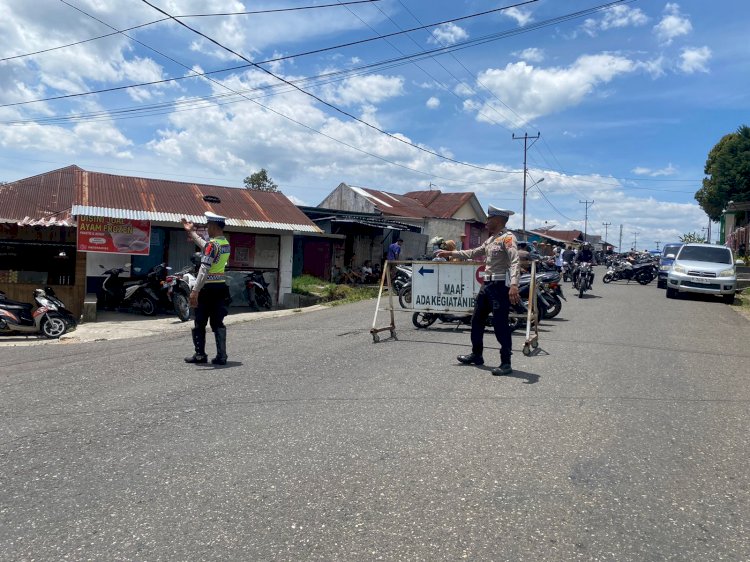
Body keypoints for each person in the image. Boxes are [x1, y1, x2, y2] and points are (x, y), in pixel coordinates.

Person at [436, 206, 520, 376]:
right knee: (476, 320)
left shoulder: (508, 238)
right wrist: (450, 253)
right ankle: (477, 354)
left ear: (498, 219)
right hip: (486, 286)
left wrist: (514, 284)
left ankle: (506, 363)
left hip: (499, 287)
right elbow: (473, 252)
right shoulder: (491, 240)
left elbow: (515, 261)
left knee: (500, 325)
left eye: (489, 218)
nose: (486, 222)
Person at [181, 212, 231, 365]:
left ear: (214, 226)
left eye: (208, 225)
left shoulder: (212, 245)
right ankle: (222, 356)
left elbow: (203, 269)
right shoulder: (224, 244)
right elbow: (204, 245)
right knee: (217, 322)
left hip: (207, 289)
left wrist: (195, 291)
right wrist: (191, 231)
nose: (207, 228)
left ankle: (200, 355)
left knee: (200, 321)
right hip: (221, 287)